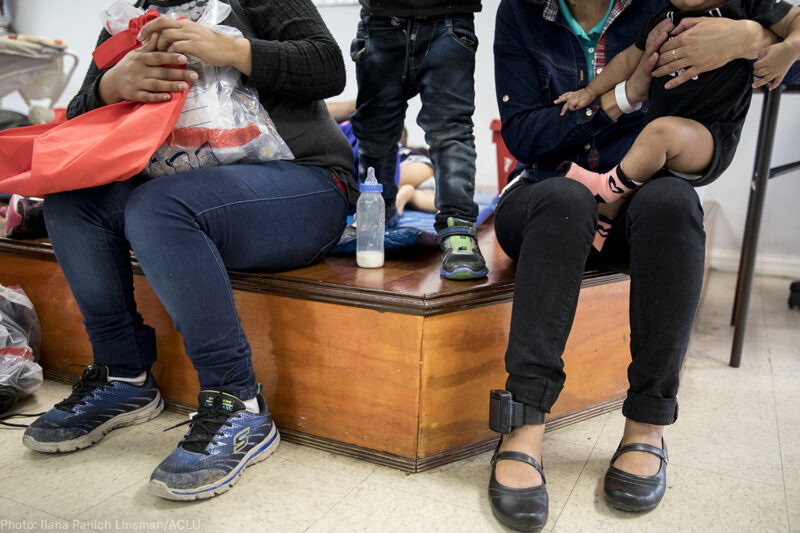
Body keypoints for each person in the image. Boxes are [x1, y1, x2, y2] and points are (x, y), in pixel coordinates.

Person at [22, 0, 356, 502]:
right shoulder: (133, 16)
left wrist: (230, 49)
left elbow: (329, 68)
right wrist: (111, 87)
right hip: (187, 189)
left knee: (160, 206)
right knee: (72, 198)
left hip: (305, 182)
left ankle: (236, 401)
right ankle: (122, 374)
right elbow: (78, 114)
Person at [488, 0, 785, 530]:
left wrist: (745, 37)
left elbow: (788, 56)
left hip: (637, 205)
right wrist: (622, 99)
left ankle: (647, 424)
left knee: (673, 203)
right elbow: (527, 137)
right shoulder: (521, 10)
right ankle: (524, 422)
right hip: (542, 197)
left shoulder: (667, 3)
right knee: (566, 198)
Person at [553, 0, 800, 249]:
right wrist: (590, 90)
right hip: (660, 137)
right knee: (653, 135)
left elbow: (795, 20)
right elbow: (628, 60)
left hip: (710, 138)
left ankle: (608, 187)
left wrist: (789, 49)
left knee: (660, 132)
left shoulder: (749, 6)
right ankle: (606, 215)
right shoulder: (662, 16)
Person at [350, 0, 488, 280]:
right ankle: (375, 217)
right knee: (375, 130)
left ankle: (459, 228)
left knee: (450, 131)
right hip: (380, 19)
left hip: (448, 16)